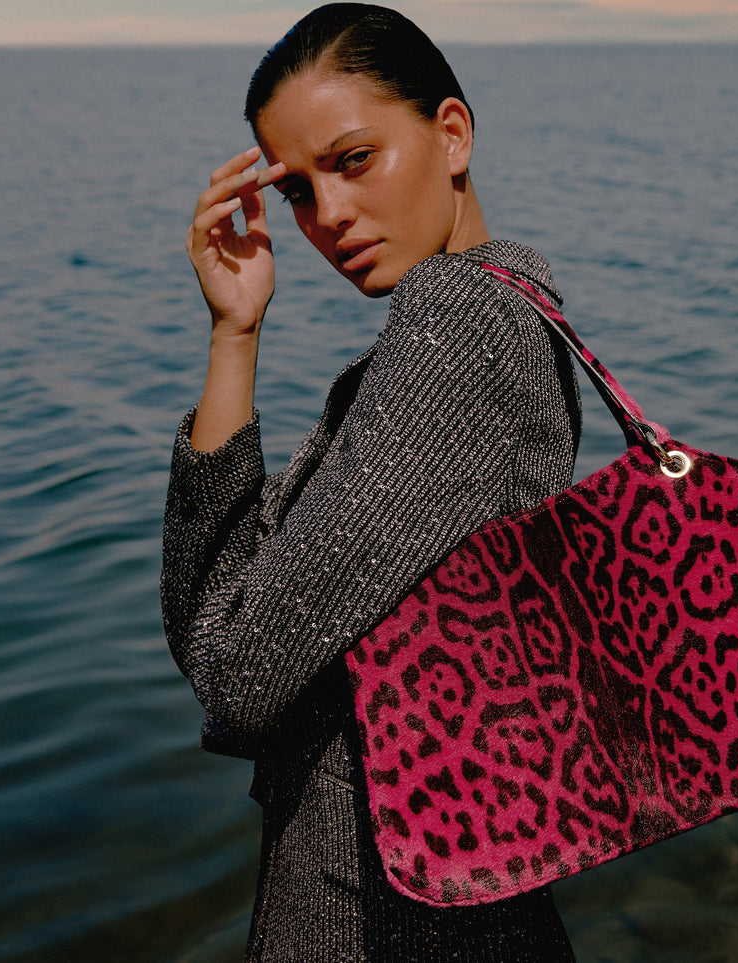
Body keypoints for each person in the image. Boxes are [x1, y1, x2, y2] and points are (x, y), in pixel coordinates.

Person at [159, 4, 582, 960]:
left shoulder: (456, 325)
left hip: (387, 918)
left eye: (354, 160)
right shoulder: (508, 313)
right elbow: (212, 623)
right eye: (300, 191)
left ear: (452, 133)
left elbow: (233, 671)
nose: (329, 217)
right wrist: (236, 330)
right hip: (453, 892)